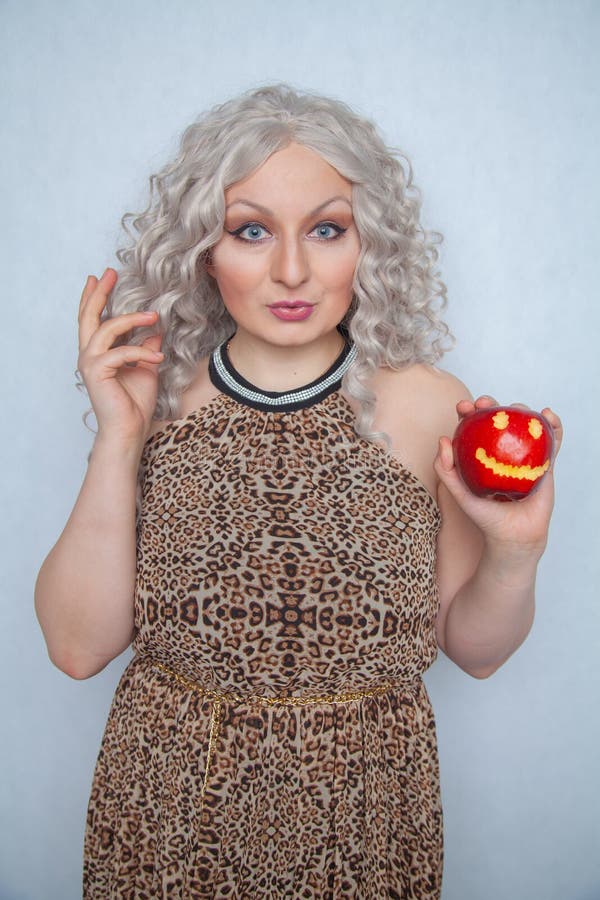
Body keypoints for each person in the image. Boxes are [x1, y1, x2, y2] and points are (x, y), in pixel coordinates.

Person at [35, 84, 562, 899]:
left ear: (369, 244)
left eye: (326, 229)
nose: (290, 269)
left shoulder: (428, 404)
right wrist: (118, 436)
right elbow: (77, 650)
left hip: (368, 818)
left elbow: (477, 651)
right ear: (204, 249)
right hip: (167, 811)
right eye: (251, 231)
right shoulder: (159, 394)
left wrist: (515, 552)